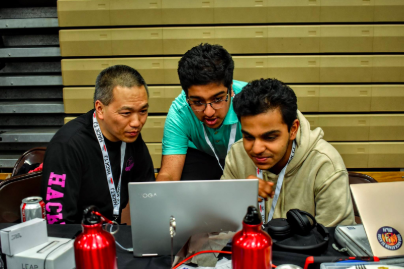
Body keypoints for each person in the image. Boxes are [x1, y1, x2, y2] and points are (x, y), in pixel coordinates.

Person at [222, 78, 355, 227]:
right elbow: (216, 224)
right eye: (248, 137)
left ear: (293, 129)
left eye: (270, 137)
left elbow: (336, 242)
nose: (257, 149)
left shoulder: (325, 164)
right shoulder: (237, 154)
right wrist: (236, 194)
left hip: (306, 251)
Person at [41, 65, 155, 224]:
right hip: (77, 238)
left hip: (111, 232)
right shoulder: (67, 146)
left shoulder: (130, 136)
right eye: (126, 113)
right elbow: (58, 223)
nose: (137, 122)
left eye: (143, 111)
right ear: (100, 109)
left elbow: (148, 193)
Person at [156, 43, 247, 181]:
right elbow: (169, 175)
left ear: (231, 88)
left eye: (217, 99)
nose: (209, 112)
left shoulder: (252, 102)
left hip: (244, 155)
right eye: (198, 102)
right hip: (201, 155)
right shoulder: (180, 111)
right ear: (186, 96)